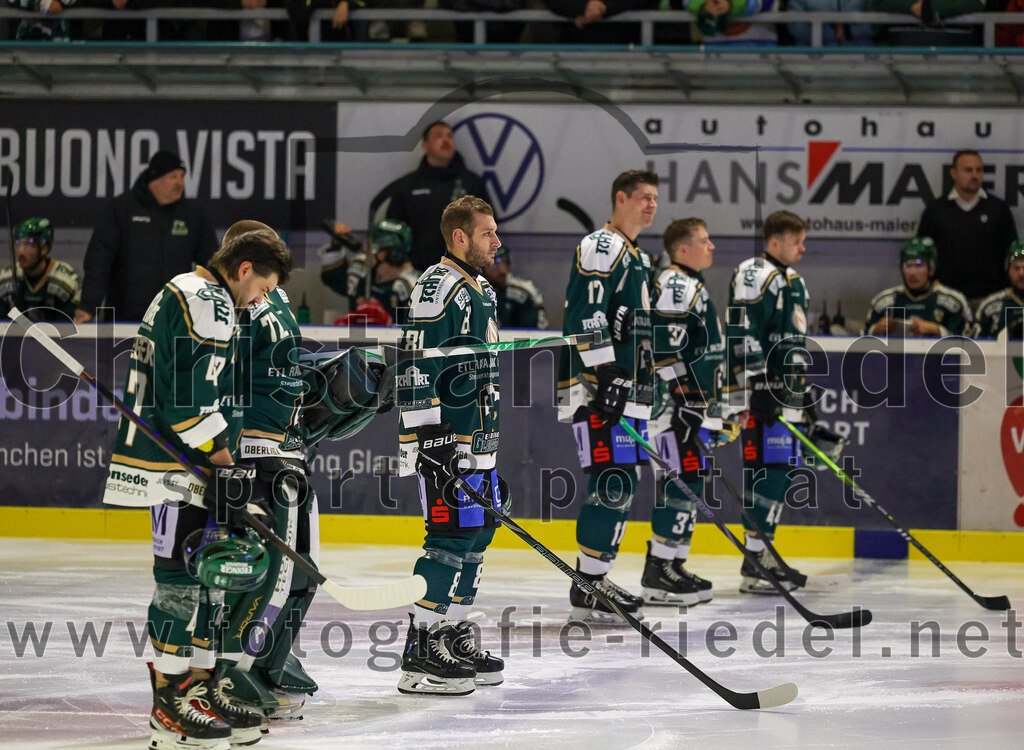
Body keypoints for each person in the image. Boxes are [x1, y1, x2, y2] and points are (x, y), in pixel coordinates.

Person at [100, 225, 292, 750]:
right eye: (264, 287)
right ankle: (170, 698)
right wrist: (228, 469)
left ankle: (200, 685)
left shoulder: (187, 289)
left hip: (188, 463)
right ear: (244, 269)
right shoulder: (207, 300)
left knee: (208, 572)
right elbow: (188, 407)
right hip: (173, 466)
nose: (264, 299)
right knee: (179, 582)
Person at [218, 220, 393, 725]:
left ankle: (271, 655)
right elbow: (229, 379)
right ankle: (235, 662)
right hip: (258, 455)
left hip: (290, 452)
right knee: (268, 571)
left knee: (304, 568)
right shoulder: (235, 305)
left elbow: (289, 372)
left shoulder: (273, 303)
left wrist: (350, 378)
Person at [395, 195, 506, 696]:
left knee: (478, 534)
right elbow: (416, 364)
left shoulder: (480, 286)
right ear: (460, 237)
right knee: (448, 539)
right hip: (446, 440)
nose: (496, 241)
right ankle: (420, 650)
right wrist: (432, 440)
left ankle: (452, 634)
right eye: (488, 233)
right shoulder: (436, 288)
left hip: (480, 437)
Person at [556, 169, 658, 623]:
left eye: (656, 198)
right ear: (620, 198)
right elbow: (586, 311)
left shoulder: (638, 255)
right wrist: (604, 373)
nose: (651, 205)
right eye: (643, 197)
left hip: (624, 388)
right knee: (611, 479)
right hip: (600, 386)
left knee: (622, 481)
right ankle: (590, 584)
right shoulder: (604, 244)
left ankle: (594, 578)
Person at [646, 217, 736, 606]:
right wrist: (683, 400)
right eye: (704, 240)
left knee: (691, 483)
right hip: (672, 411)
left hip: (690, 408)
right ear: (682, 249)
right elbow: (663, 350)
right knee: (678, 485)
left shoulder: (689, 285)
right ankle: (659, 571)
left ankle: (674, 564)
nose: (712, 246)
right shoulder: (675, 284)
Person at [726, 210, 811, 595]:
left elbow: (792, 343)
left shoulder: (795, 282)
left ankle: (762, 554)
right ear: (774, 241)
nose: (802, 248)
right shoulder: (754, 273)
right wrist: (757, 383)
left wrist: (802, 392)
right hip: (761, 393)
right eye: (796, 241)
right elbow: (742, 329)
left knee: (781, 473)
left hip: (786, 394)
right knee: (765, 472)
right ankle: (757, 559)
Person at [75, 150, 218, 323]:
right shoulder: (122, 209)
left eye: (182, 177)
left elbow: (213, 264)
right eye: (173, 177)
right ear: (155, 178)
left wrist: (221, 303)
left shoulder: (192, 215)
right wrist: (88, 305)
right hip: (126, 317)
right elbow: (99, 260)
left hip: (176, 318)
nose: (180, 183)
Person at [383, 121, 491, 272]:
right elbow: (392, 230)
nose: (446, 140)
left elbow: (489, 227)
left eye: (449, 136)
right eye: (438, 136)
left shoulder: (472, 184)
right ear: (425, 146)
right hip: (417, 272)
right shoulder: (408, 186)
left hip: (463, 272)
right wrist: (403, 264)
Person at [916, 149, 1018, 302]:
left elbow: (1013, 252)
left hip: (990, 298)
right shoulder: (935, 211)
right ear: (954, 173)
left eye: (979, 170)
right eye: (968, 170)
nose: (975, 175)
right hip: (945, 299)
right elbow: (921, 255)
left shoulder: (999, 209)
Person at [862, 237, 973, 337]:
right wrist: (875, 330)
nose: (912, 272)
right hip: (895, 359)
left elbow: (970, 343)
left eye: (919, 265)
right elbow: (861, 340)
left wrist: (939, 331)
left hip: (939, 359)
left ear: (932, 268)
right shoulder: (884, 302)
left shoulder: (954, 302)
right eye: (908, 265)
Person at [322, 218, 421, 325]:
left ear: (385, 253)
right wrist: (336, 244)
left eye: (372, 246)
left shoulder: (414, 287)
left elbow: (416, 331)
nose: (365, 249)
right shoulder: (361, 270)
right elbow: (331, 277)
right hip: (354, 340)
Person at [0, 217, 81, 322]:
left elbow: (69, 330)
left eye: (28, 245)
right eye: (18, 244)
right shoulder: (5, 280)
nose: (20, 252)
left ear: (44, 249)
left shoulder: (66, 282)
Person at [480, 243, 548, 329]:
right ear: (482, 266)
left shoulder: (524, 292)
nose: (501, 269)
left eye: (504, 262)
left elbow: (533, 333)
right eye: (494, 264)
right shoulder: (473, 289)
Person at [974, 240, 1024, 338]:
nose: (1021, 273)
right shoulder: (989, 307)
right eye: (1016, 268)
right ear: (1008, 270)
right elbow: (974, 346)